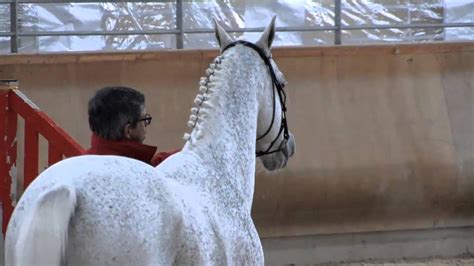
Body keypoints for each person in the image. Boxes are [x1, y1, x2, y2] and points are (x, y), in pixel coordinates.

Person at [83, 86, 179, 166]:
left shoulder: (82, 162)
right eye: (145, 119)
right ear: (128, 131)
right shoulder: (136, 173)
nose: (146, 125)